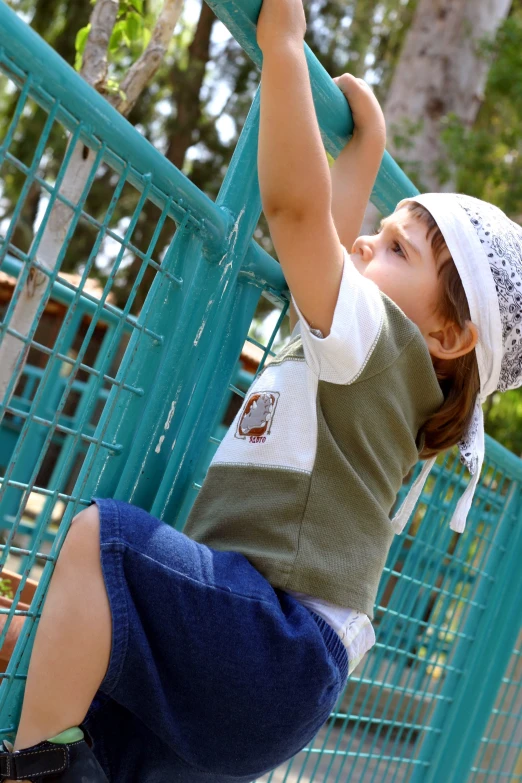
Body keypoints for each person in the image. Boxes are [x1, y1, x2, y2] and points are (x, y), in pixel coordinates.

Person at [2, 0, 522, 780]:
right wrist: (363, 151)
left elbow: (297, 213)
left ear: (448, 336)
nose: (365, 242)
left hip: (270, 642)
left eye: (398, 247)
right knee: (93, 712)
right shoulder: (386, 382)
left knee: (100, 542)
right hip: (275, 675)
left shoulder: (379, 344)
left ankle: (26, 769)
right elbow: (331, 237)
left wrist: (283, 50)